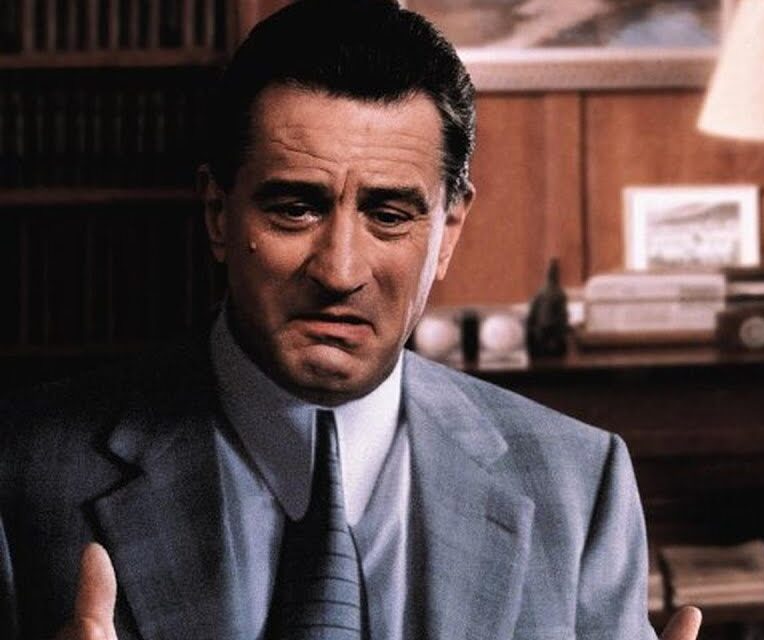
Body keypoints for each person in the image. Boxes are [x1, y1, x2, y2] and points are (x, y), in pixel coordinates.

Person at [0, 2, 700, 639]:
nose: (339, 272)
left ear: (449, 232)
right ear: (218, 212)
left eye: (389, 215)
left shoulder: (579, 482)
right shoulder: (21, 470)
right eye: (295, 209)